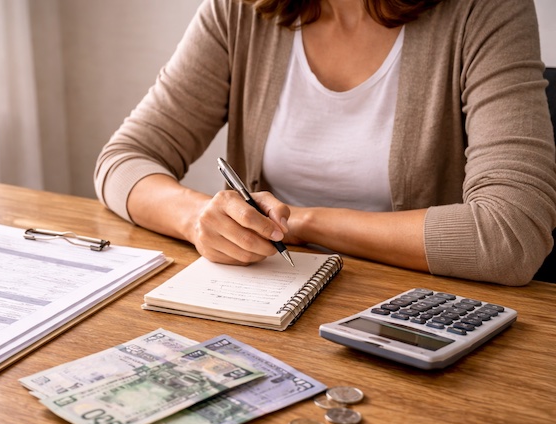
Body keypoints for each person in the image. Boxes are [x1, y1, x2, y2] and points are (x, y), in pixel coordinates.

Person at [94, 0, 556, 286]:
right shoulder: (239, 10)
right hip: (269, 298)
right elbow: (124, 161)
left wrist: (301, 224)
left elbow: (510, 235)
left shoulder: (486, 9)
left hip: (415, 314)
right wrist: (197, 219)